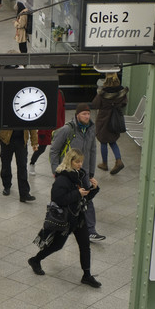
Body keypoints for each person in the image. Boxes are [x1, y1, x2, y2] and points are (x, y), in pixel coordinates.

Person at [28, 149, 101, 288]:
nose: (80, 164)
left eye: (81, 161)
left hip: (78, 218)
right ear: (70, 161)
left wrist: (93, 189)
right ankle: (35, 260)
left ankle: (87, 275)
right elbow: (57, 199)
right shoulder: (62, 179)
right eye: (77, 161)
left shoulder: (79, 175)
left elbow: (84, 196)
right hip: (66, 220)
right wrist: (77, 194)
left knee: (85, 245)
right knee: (57, 245)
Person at [50, 103, 104, 242]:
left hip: (83, 172)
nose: (87, 116)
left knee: (87, 200)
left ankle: (91, 231)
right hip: (67, 172)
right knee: (66, 199)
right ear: (77, 115)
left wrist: (91, 172)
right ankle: (59, 226)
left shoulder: (91, 129)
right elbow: (54, 150)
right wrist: (56, 171)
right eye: (84, 114)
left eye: (88, 114)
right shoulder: (67, 130)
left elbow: (92, 150)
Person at [91, 74, 128, 175]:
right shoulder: (122, 92)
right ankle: (118, 160)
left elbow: (95, 104)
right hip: (115, 119)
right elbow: (124, 103)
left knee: (103, 141)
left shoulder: (102, 93)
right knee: (112, 141)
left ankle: (104, 163)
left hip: (103, 119)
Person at [29, 90, 65, 175]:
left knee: (59, 149)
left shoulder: (60, 93)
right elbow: (42, 113)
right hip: (46, 128)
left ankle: (59, 168)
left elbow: (62, 111)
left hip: (58, 127)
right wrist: (42, 130)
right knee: (41, 148)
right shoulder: (44, 93)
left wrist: (62, 126)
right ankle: (32, 164)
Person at [0, 128, 37, 202]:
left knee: (22, 166)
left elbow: (32, 126)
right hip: (6, 139)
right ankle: (7, 185)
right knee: (5, 164)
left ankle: (24, 193)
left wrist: (34, 142)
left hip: (21, 141)